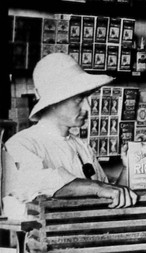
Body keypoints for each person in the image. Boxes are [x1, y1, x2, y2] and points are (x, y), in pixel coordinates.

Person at [4, 53, 138, 208]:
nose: (87, 108)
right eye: (79, 99)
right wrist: (98, 188)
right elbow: (38, 182)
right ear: (54, 101)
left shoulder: (82, 146)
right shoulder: (20, 145)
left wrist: (129, 167)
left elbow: (110, 197)